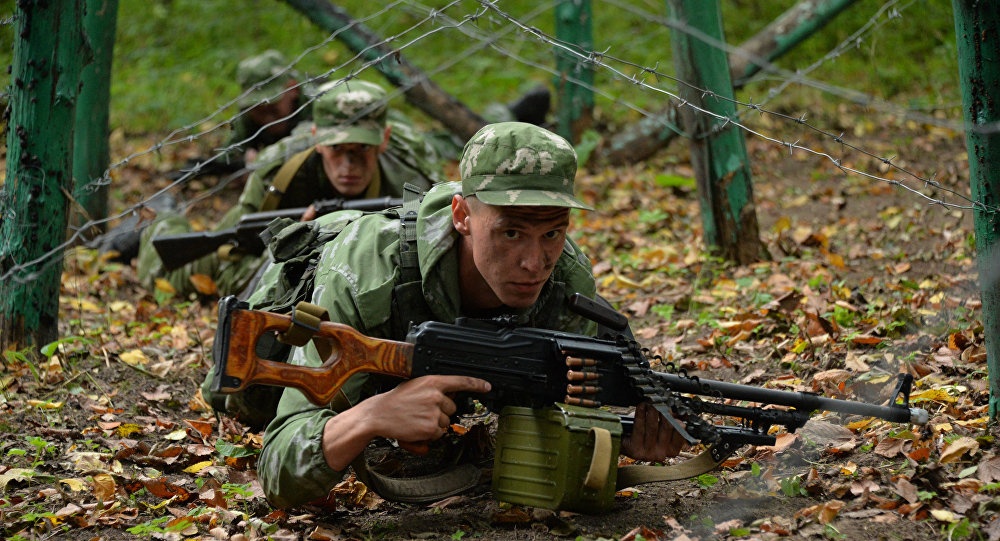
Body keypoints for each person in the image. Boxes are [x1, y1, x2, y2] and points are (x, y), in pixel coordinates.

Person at [249, 122, 685, 509]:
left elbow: (562, 408)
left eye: (553, 232)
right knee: (248, 400)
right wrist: (372, 416)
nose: (535, 263)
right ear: (461, 216)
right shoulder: (368, 279)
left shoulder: (566, 281)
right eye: (511, 232)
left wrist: (618, 437)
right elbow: (277, 470)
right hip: (290, 308)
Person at [136, 78, 444, 298]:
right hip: (264, 242)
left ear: (384, 141)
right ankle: (159, 219)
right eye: (338, 150)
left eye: (362, 150)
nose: (349, 165)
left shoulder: (412, 179)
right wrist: (294, 245)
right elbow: (242, 244)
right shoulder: (278, 172)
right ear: (317, 139)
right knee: (173, 277)